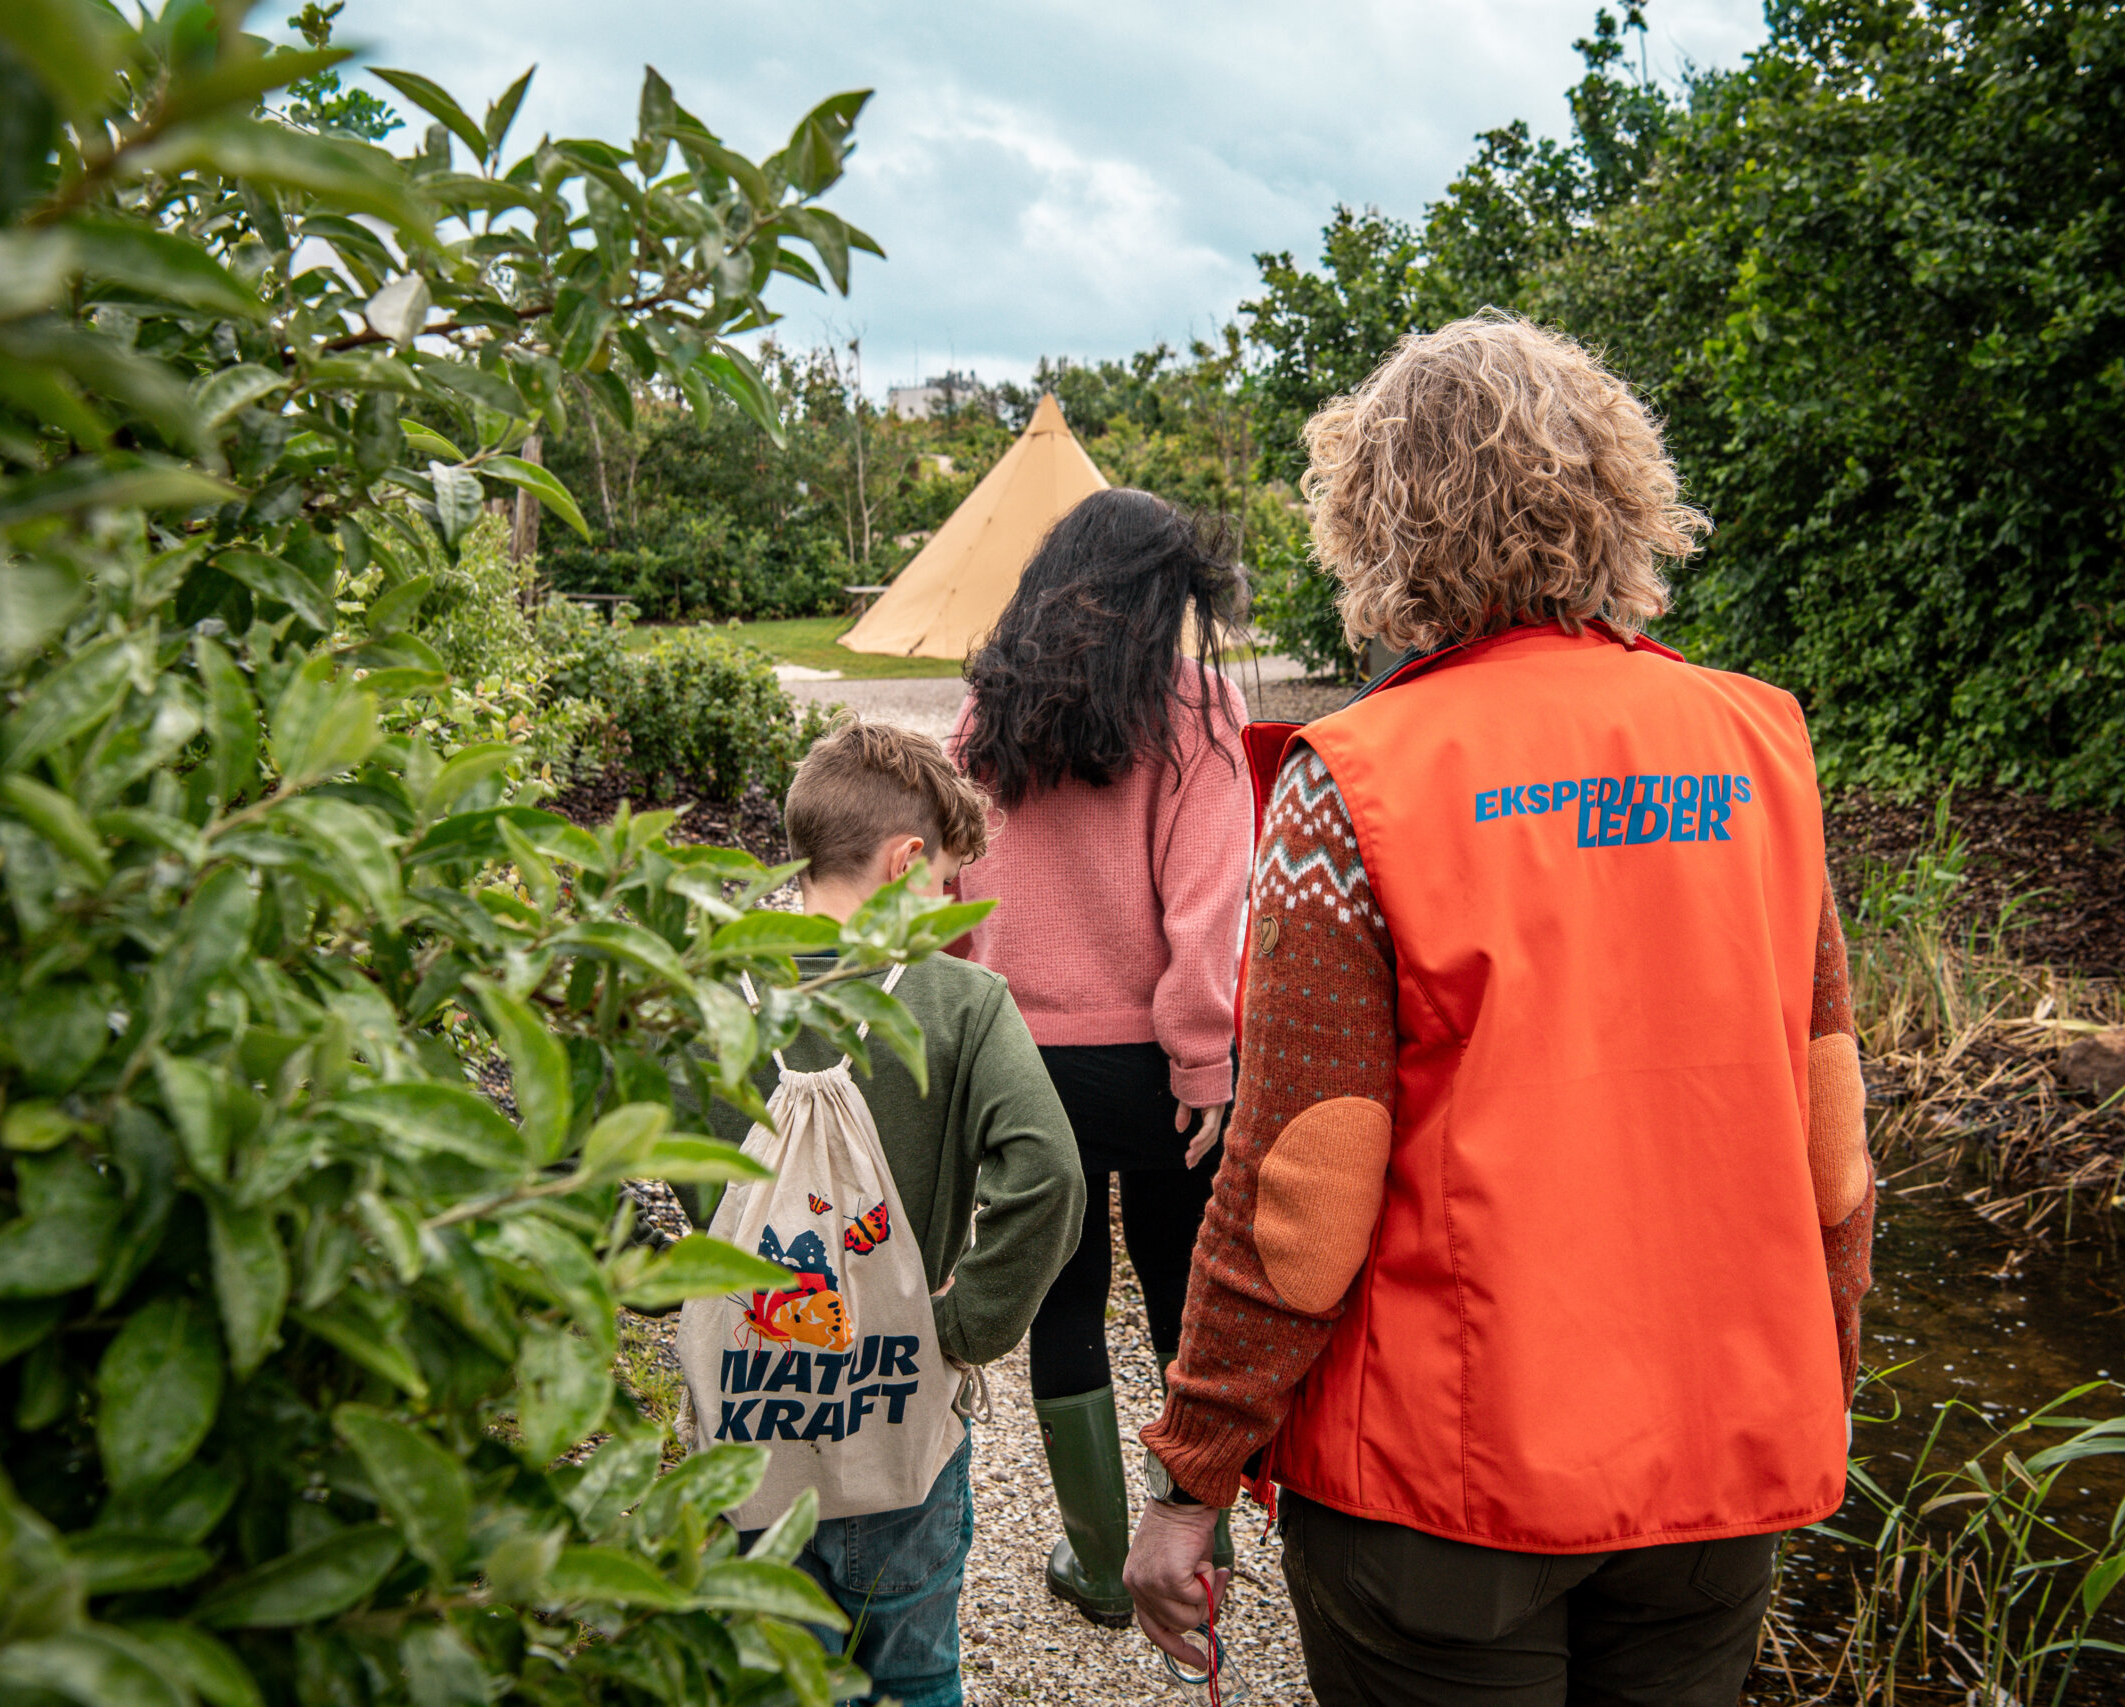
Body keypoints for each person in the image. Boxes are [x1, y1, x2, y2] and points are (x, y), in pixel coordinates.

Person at [1124, 313, 1878, 1706]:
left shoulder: (1356, 781)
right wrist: (1815, 1383)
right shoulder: (1758, 745)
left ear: (1378, 524)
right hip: (1714, 1468)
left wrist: (1191, 1474)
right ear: (1621, 494)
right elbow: (1832, 1144)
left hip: (1442, 1489)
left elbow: (1301, 1182)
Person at [686, 719, 1086, 1707]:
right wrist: (963, 1326)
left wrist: (663, 1285)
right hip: (898, 1439)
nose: (948, 906)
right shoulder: (963, 1003)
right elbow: (1049, 1175)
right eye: (946, 882)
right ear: (907, 862)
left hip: (746, 1442)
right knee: (911, 1678)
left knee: (767, 1680)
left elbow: (591, 1147)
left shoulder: (702, 997)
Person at [948, 486, 1255, 1628]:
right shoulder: (1197, 707)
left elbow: (952, 888)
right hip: (1158, 1070)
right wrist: (1205, 1060)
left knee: (1064, 1299)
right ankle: (1198, 1542)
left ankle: (1092, 1562)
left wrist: (967, 1034)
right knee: (1183, 1290)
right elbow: (1208, 902)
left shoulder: (988, 707)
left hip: (1023, 1060)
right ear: (1164, 592)